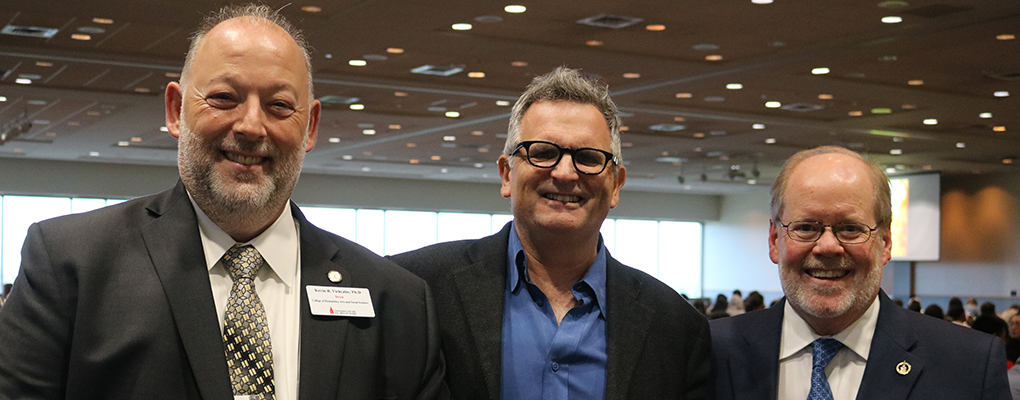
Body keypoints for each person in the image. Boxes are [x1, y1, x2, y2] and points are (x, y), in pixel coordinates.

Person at [0, 5, 446, 400]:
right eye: (223, 98)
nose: (252, 125)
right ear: (176, 110)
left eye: (278, 105)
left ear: (310, 127)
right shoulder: (71, 264)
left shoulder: (395, 299)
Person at [389, 67, 711, 400]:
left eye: (588, 157)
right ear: (506, 174)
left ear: (615, 184)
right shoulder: (416, 288)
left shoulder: (676, 326)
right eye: (543, 152)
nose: (565, 173)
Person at [710, 146, 1009, 399]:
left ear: (886, 242)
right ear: (775, 240)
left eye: (851, 228)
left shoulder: (969, 364)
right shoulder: (710, 350)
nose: (828, 247)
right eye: (805, 227)